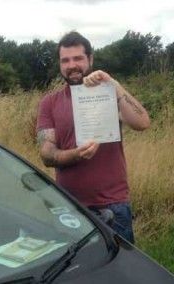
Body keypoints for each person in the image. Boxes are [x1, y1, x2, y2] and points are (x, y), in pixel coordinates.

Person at [36, 31, 150, 244]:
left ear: (90, 59)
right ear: (60, 65)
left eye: (78, 58)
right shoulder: (49, 102)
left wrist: (113, 85)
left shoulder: (108, 94)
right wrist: (76, 154)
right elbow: (46, 154)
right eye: (65, 60)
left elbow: (142, 122)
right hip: (69, 205)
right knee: (73, 271)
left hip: (112, 206)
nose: (72, 65)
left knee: (118, 272)